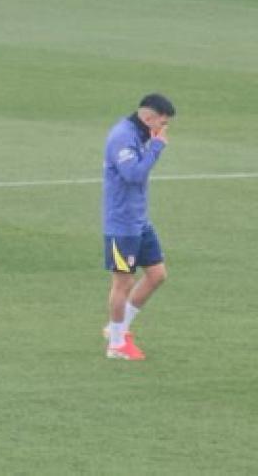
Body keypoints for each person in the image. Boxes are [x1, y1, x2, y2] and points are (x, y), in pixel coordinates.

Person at [102, 94, 175, 361]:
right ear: (148, 118)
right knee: (123, 281)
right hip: (121, 224)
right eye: (162, 124)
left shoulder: (140, 132)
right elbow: (133, 174)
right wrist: (156, 147)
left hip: (139, 221)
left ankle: (115, 328)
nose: (164, 129)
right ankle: (117, 345)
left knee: (157, 275)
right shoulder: (123, 137)